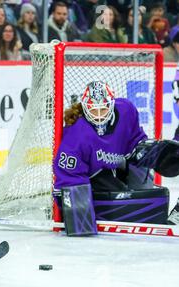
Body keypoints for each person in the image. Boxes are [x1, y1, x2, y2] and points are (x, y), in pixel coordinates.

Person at [53, 81, 179, 236]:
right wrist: (79, 217)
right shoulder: (77, 135)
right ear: (85, 108)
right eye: (93, 110)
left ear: (111, 104)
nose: (99, 116)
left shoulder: (126, 110)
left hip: (120, 163)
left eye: (103, 109)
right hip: (94, 174)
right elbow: (69, 178)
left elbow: (135, 141)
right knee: (120, 198)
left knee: (144, 189)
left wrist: (149, 152)